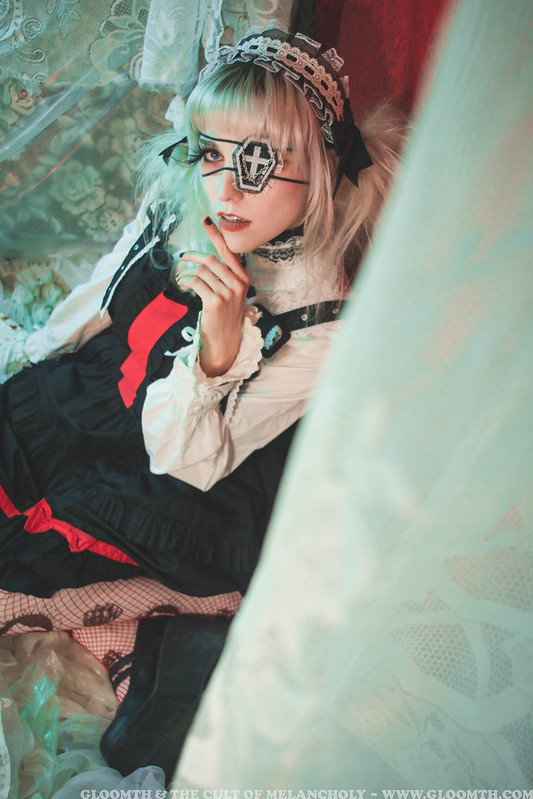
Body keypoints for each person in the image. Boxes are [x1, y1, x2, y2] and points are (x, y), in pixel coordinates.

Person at [0, 27, 403, 783]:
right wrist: (35, 356)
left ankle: (176, 631)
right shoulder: (187, 195)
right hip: (106, 397)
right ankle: (149, 638)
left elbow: (181, 461)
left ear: (321, 163)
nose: (226, 189)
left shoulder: (323, 317)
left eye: (259, 161)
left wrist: (217, 347)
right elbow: (106, 291)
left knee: (26, 556)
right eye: (210, 152)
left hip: (194, 474)